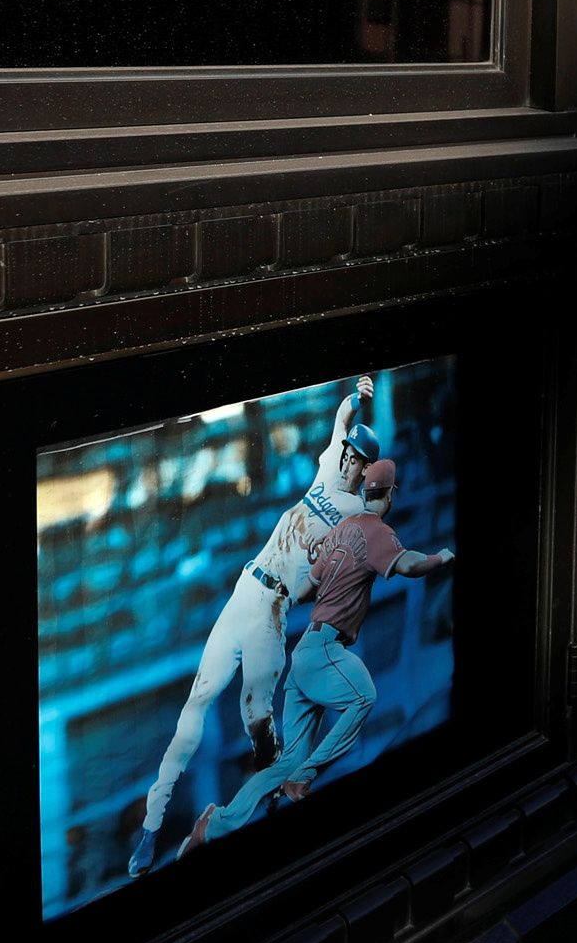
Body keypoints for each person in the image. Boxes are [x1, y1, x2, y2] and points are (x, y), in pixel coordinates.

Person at [129, 375, 379, 877]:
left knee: (257, 722)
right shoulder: (329, 469)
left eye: (358, 458)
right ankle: (152, 827)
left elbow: (332, 579)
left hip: (275, 609)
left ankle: (266, 808)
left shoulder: (358, 516)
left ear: (368, 469)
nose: (350, 459)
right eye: (350, 453)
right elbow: (339, 420)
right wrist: (358, 395)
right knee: (197, 701)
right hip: (247, 588)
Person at [187, 459, 454, 848]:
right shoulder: (376, 531)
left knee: (286, 762)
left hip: (305, 652)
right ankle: (305, 777)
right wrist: (440, 558)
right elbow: (411, 564)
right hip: (326, 647)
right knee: (363, 697)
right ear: (390, 494)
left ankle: (214, 824)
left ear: (365, 490)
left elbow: (306, 589)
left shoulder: (340, 530)